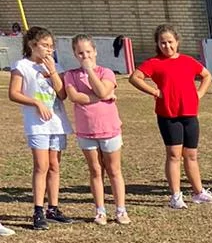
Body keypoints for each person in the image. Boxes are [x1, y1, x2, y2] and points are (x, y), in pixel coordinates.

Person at [130, 26, 212, 209]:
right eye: (163, 42)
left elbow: (206, 75)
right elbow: (135, 77)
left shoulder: (188, 61)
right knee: (174, 154)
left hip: (189, 114)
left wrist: (200, 93)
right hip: (168, 115)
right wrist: (154, 91)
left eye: (170, 42)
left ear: (177, 42)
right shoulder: (154, 62)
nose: (167, 46)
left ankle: (198, 192)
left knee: (191, 155)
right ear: (158, 44)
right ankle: (176, 195)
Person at [7, 26, 71, 231]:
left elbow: (62, 95)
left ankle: (53, 208)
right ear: (32, 45)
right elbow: (14, 93)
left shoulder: (55, 67)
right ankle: (38, 210)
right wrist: (36, 103)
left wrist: (53, 71)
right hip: (37, 125)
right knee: (41, 166)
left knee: (54, 165)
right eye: (45, 45)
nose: (49, 50)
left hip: (56, 122)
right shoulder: (22, 66)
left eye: (51, 46)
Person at [62, 34, 129, 225]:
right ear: (75, 54)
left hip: (109, 129)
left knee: (114, 170)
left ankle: (120, 209)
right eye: (80, 53)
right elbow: (75, 97)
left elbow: (102, 89)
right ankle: (100, 210)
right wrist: (103, 97)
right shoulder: (71, 75)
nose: (85, 56)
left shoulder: (106, 72)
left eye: (88, 52)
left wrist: (91, 73)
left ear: (95, 51)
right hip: (86, 131)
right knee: (95, 170)